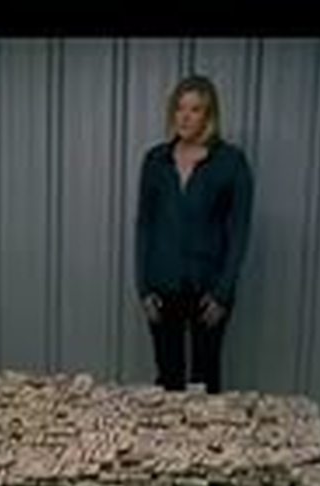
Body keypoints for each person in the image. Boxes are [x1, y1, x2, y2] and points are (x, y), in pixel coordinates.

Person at [134, 76, 254, 393]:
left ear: (209, 115)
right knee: (168, 379)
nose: (185, 117)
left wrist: (223, 292)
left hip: (209, 291)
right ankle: (166, 429)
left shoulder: (231, 163)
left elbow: (239, 231)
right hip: (163, 287)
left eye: (195, 110)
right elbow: (144, 225)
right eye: (179, 108)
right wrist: (143, 287)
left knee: (204, 378)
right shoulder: (155, 161)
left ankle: (206, 428)